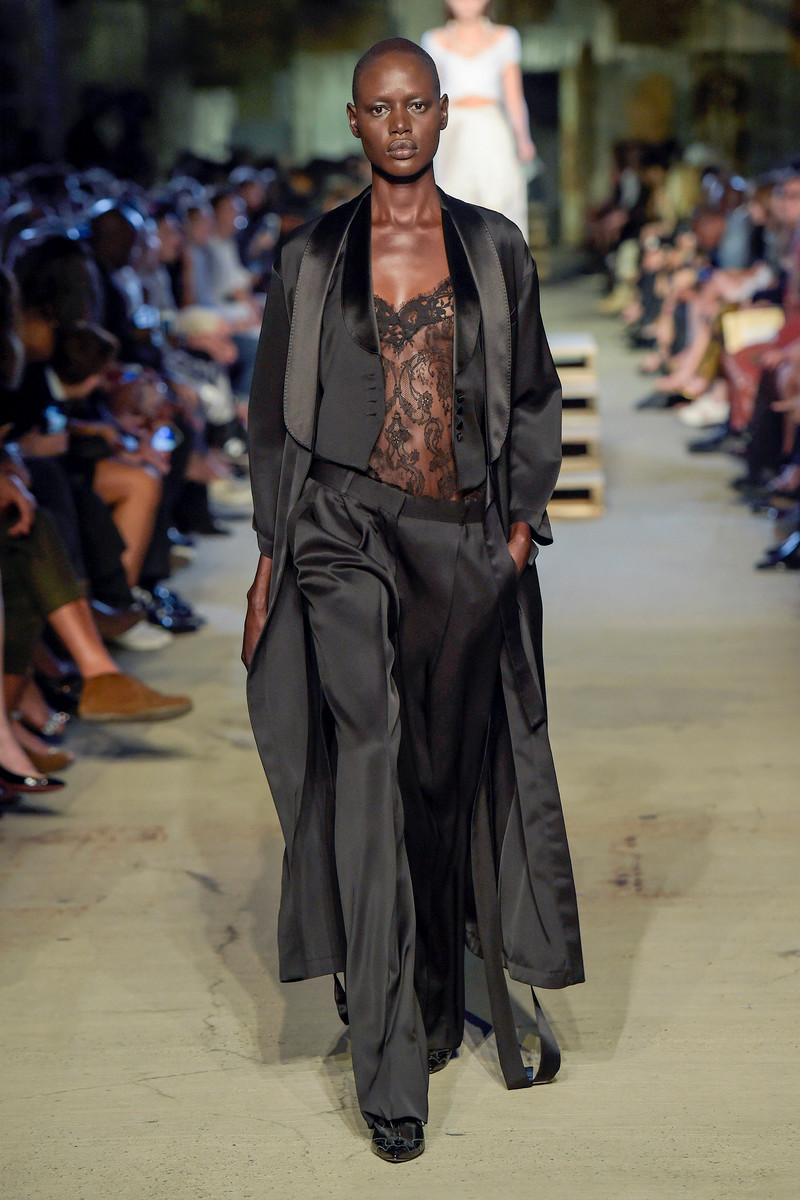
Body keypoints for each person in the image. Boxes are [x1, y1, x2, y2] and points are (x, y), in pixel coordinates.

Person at [243, 39, 583, 1164]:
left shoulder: (493, 248)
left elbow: (531, 391)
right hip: (340, 530)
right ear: (353, 121)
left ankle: (430, 991)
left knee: (439, 781)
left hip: (460, 535)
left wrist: (518, 527)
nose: (397, 124)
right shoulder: (311, 256)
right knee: (370, 759)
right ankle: (391, 1068)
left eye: (414, 106)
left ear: (442, 115)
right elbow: (270, 421)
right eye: (377, 107)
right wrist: (270, 560)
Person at [421, 1, 534, 238]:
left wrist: (523, 138)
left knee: (499, 199)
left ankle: (503, 260)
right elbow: (430, 98)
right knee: (454, 204)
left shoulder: (506, 38)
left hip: (491, 129)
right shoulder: (433, 40)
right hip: (452, 131)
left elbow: (514, 96)